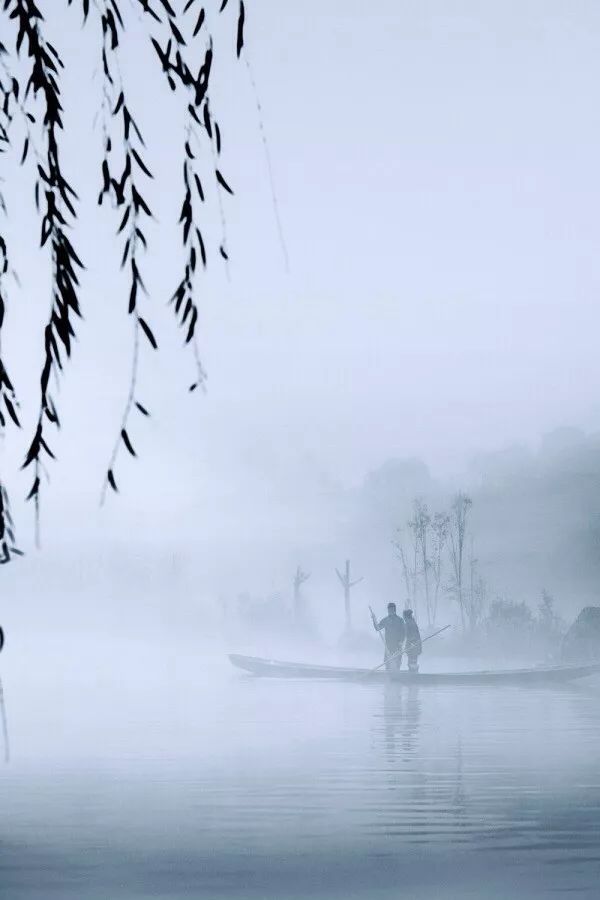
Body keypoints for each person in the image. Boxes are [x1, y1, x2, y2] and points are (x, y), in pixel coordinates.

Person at [371, 602, 406, 670]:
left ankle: (397, 678)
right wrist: (374, 619)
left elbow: (404, 632)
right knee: (388, 664)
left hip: (397, 646)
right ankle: (388, 678)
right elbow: (378, 628)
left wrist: (401, 641)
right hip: (388, 646)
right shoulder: (386, 620)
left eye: (392, 609)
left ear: (394, 610)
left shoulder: (400, 620)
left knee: (397, 664)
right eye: (389, 609)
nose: (390, 611)